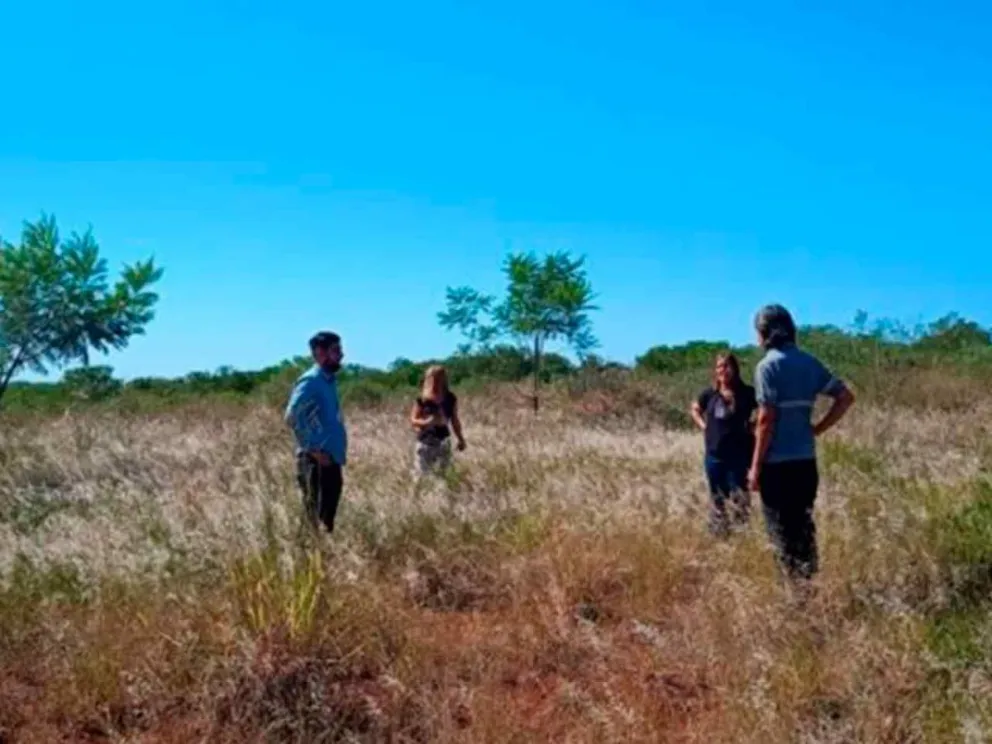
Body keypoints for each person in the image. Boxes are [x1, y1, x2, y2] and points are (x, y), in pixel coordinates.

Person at [747, 304, 855, 584]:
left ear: (764, 332)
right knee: (804, 527)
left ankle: (793, 595)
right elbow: (845, 397)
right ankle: (809, 587)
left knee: (780, 532)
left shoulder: (766, 367)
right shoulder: (809, 362)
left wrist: (755, 468)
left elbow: (766, 420)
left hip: (776, 466)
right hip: (805, 463)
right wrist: (816, 429)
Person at [284, 331, 348, 534]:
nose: (341, 354)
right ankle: (311, 558)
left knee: (326, 517)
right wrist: (313, 449)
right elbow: (293, 416)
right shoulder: (310, 381)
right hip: (315, 460)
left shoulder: (327, 381)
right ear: (319, 353)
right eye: (335, 350)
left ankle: (323, 558)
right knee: (314, 517)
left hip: (330, 458)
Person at [690, 352, 757, 537]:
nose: (723, 370)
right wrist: (704, 426)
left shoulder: (747, 392)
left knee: (740, 498)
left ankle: (742, 535)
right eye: (719, 366)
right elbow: (695, 408)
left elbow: (766, 409)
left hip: (739, 455)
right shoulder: (709, 394)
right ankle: (719, 535)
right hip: (714, 456)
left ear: (735, 369)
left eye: (727, 366)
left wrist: (754, 425)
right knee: (717, 498)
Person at [409, 365, 466, 475]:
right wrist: (427, 422)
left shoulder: (450, 398)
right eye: (432, 377)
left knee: (443, 476)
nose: (435, 381)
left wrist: (460, 439)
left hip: (443, 442)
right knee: (422, 477)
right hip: (425, 442)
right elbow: (413, 419)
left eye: (438, 378)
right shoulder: (422, 399)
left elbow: (455, 421)